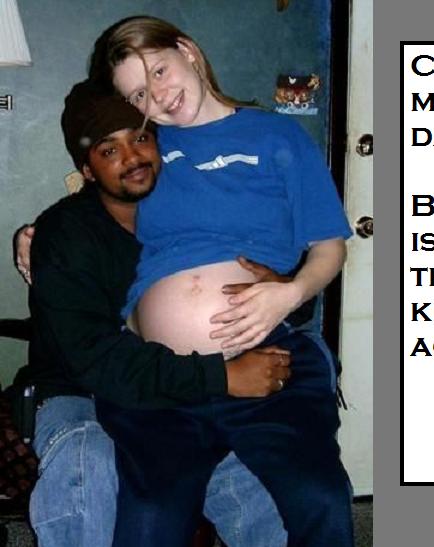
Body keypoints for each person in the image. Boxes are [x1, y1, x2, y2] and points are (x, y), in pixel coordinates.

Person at [84, 15, 354, 547]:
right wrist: (36, 236)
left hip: (267, 357)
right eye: (138, 95)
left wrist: (289, 293)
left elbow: (330, 247)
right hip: (161, 374)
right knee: (149, 522)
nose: (158, 97)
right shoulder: (145, 151)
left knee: (320, 499)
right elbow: (92, 209)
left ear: (188, 51)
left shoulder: (277, 136)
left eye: (159, 71)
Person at [15, 80, 300, 547]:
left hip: (184, 391)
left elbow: (280, 285)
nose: (132, 157)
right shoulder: (66, 233)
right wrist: (222, 377)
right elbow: (95, 358)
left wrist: (284, 291)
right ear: (87, 170)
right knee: (87, 465)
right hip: (80, 391)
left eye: (141, 138)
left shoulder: (199, 210)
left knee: (266, 481)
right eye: (109, 149)